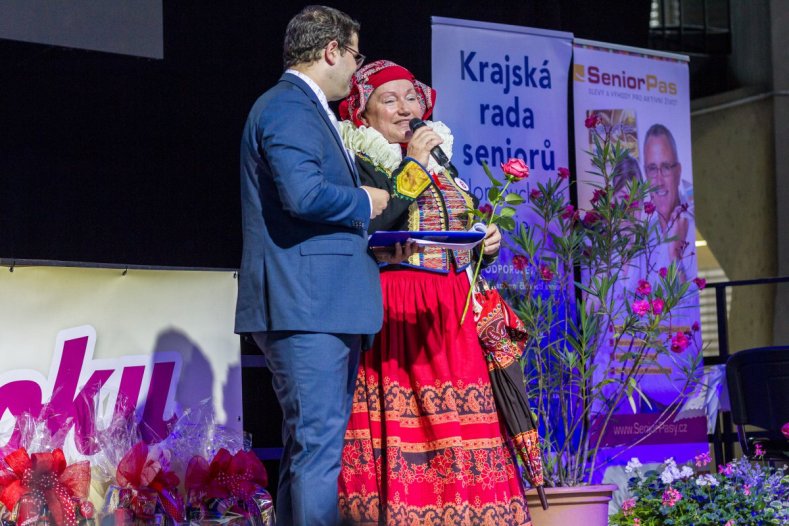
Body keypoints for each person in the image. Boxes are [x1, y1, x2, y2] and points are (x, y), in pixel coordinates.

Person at [335, 60, 531, 525]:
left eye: (411, 97)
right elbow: (376, 224)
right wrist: (414, 163)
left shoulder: (444, 160)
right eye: (390, 99)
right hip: (400, 307)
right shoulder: (358, 158)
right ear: (363, 113)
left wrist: (486, 241)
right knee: (415, 427)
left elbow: (453, 226)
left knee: (464, 424)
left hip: (451, 309)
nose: (406, 109)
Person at [234, 7, 391, 525]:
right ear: (330, 51)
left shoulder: (306, 107)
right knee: (317, 453)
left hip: (320, 306)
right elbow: (303, 195)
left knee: (308, 453)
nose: (355, 68)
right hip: (306, 307)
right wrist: (362, 202)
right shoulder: (287, 108)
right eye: (354, 55)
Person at [642, 124, 694, 282]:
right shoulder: (644, 236)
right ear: (645, 173)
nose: (658, 180)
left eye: (665, 168)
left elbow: (689, 303)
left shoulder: (693, 228)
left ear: (678, 172)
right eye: (652, 168)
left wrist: (675, 257)